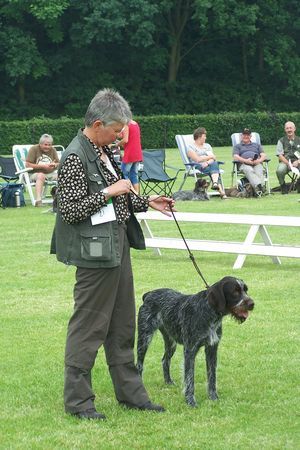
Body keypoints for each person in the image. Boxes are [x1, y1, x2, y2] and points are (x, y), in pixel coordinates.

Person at [51, 88, 174, 421]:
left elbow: (120, 197)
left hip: (117, 245)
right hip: (93, 254)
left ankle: (131, 394)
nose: (121, 136)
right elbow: (70, 209)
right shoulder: (76, 155)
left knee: (122, 324)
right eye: (118, 130)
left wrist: (147, 202)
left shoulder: (103, 151)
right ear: (98, 123)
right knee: (89, 325)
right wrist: (109, 191)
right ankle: (79, 403)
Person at [187, 127, 227, 199]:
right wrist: (209, 157)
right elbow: (197, 159)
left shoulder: (207, 146)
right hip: (198, 166)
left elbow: (213, 158)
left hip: (208, 165)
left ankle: (215, 184)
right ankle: (221, 191)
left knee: (214, 164)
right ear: (199, 136)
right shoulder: (190, 147)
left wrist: (208, 162)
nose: (205, 137)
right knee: (215, 170)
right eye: (204, 136)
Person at [26, 134, 59, 207]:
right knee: (41, 175)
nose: (47, 147)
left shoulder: (53, 150)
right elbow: (28, 165)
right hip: (35, 174)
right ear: (40, 144)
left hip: (50, 173)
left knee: (62, 175)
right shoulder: (34, 149)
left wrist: (55, 165)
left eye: (49, 145)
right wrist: (43, 166)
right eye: (45, 145)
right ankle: (38, 200)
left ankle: (59, 199)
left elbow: (58, 163)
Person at [233, 128, 267, 197]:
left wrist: (259, 161)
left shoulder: (257, 145)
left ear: (250, 136)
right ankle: (260, 187)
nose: (246, 136)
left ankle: (258, 189)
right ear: (241, 136)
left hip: (256, 163)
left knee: (259, 170)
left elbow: (263, 155)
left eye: (248, 135)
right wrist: (246, 161)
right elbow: (235, 157)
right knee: (249, 170)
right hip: (244, 164)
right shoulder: (237, 146)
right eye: (244, 135)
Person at [118, 120, 143, 193]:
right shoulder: (135, 123)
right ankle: (137, 194)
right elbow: (130, 136)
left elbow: (125, 140)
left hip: (130, 154)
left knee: (123, 174)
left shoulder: (126, 125)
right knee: (134, 175)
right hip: (137, 153)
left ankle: (133, 194)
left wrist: (116, 145)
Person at [276, 121, 300, 194]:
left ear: (294, 129)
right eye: (287, 128)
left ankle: (298, 183)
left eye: (290, 128)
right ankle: (283, 185)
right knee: (279, 170)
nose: (289, 130)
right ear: (285, 130)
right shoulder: (281, 141)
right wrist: (288, 163)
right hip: (285, 162)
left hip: (298, 162)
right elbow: (280, 155)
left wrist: (298, 161)